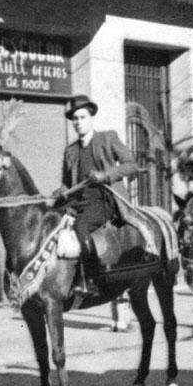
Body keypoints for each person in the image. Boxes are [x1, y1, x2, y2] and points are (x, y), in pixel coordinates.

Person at [53, 95, 139, 296]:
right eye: (75, 119)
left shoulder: (108, 138)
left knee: (81, 225)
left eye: (82, 117)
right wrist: (61, 191)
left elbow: (131, 165)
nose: (78, 122)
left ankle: (90, 279)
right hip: (77, 200)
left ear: (91, 118)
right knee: (51, 219)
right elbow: (68, 183)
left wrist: (105, 175)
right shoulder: (70, 150)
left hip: (104, 199)